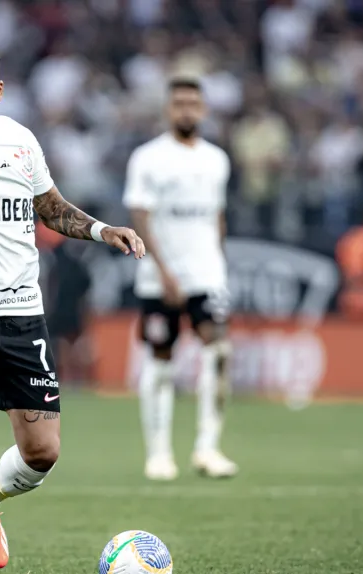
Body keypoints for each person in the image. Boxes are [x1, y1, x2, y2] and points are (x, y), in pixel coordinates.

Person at [0, 42, 144, 574]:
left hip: (22, 314)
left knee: (42, 452)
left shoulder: (22, 142)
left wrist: (101, 229)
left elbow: (49, 208)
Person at [123, 78, 238, 480]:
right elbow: (140, 216)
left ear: (203, 110)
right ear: (168, 110)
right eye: (179, 103)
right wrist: (164, 271)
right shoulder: (148, 158)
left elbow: (217, 216)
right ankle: (158, 453)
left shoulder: (217, 159)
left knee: (218, 351)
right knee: (161, 358)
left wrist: (218, 263)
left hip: (207, 273)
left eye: (193, 103)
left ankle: (208, 448)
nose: (186, 110)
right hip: (160, 276)